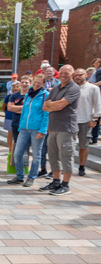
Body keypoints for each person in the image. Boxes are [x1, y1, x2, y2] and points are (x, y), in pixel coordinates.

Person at [38, 65, 81, 195]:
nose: (63, 75)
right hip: (53, 127)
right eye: (61, 72)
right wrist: (54, 105)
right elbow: (44, 106)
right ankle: (56, 182)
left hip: (66, 128)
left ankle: (65, 185)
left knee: (66, 156)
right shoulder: (56, 87)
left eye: (66, 73)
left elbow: (61, 105)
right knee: (53, 156)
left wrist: (54, 104)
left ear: (72, 74)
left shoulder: (74, 88)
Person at [9, 74, 50, 187]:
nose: (36, 84)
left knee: (36, 155)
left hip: (37, 129)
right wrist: (20, 126)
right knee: (17, 154)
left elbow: (46, 114)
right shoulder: (27, 95)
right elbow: (24, 112)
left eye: (39, 82)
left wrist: (43, 130)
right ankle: (19, 176)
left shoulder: (45, 95)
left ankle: (31, 177)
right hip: (24, 129)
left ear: (43, 84)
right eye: (35, 82)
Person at [72, 68, 101, 177]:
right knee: (68, 145)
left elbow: (98, 104)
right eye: (76, 75)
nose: (78, 77)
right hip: (71, 121)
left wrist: (95, 119)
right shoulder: (71, 88)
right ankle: (68, 166)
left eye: (80, 75)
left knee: (83, 145)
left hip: (86, 120)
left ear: (86, 75)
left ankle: (82, 167)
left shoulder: (93, 88)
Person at [5, 77, 29, 167]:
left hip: (27, 124)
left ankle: (25, 165)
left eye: (26, 82)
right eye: (22, 82)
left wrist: (16, 109)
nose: (24, 84)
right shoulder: (13, 96)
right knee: (16, 144)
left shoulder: (32, 95)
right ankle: (16, 165)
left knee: (26, 145)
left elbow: (31, 109)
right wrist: (25, 108)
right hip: (15, 123)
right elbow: (9, 108)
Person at [1, 81, 21, 149]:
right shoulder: (9, 96)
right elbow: (3, 107)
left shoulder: (23, 96)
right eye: (14, 87)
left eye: (17, 87)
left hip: (19, 117)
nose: (15, 88)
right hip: (9, 117)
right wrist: (7, 113)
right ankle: (10, 149)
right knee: (10, 134)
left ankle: (17, 148)